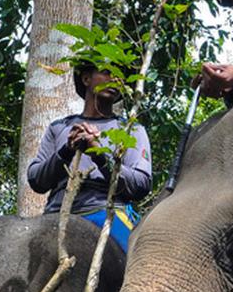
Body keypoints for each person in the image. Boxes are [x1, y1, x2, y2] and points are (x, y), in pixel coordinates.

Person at [27, 63, 153, 253]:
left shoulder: (132, 130)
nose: (115, 79)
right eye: (106, 72)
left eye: (119, 75)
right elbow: (36, 179)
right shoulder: (59, 127)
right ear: (86, 79)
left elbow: (141, 183)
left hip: (108, 211)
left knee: (138, 267)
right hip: (57, 213)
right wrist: (66, 151)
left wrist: (99, 154)